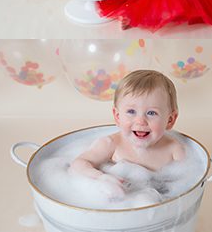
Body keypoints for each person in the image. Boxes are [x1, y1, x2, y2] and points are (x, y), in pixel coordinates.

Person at [70, 70, 185, 199]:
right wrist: (102, 178)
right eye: (131, 111)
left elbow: (188, 182)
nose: (140, 121)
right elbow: (78, 164)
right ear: (117, 116)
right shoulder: (111, 144)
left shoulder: (174, 150)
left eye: (151, 113)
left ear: (170, 120)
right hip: (116, 203)